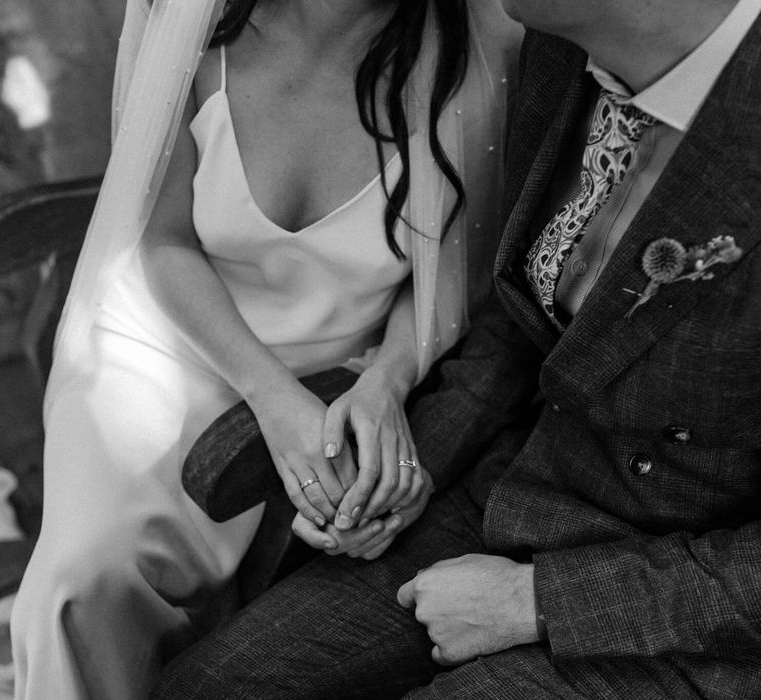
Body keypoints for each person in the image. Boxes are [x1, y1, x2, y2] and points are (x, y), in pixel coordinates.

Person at [149, 0, 761, 697]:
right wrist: (396, 470)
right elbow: (519, 325)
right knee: (212, 688)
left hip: (683, 605)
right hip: (512, 490)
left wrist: (536, 602)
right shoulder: (557, 50)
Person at [10, 0, 523, 698]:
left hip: (341, 374)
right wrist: (272, 396)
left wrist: (386, 384)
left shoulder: (482, 45)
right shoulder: (192, 21)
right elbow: (161, 241)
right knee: (86, 573)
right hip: (160, 346)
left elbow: (448, 274)